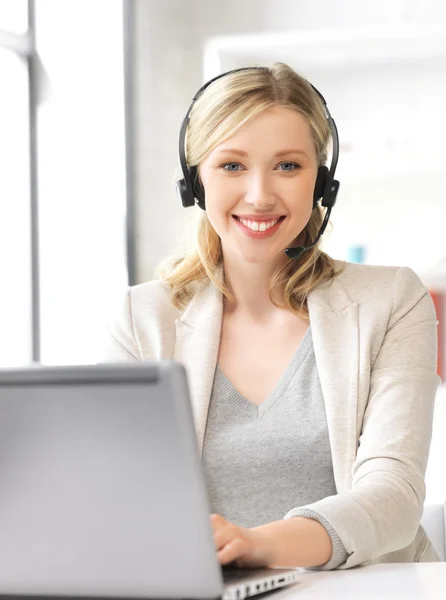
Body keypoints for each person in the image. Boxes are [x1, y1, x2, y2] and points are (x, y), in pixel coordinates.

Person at [103, 63, 441, 570]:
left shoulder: (392, 300)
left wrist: (258, 545)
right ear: (195, 181)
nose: (260, 195)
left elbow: (393, 495)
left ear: (322, 182)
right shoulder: (143, 318)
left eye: (287, 165)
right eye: (232, 166)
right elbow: (120, 493)